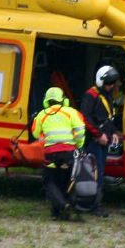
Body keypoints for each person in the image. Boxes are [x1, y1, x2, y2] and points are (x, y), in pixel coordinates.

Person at [31, 86, 86, 220]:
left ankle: (61, 207)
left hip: (50, 154)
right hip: (69, 153)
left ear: (46, 101)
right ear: (63, 100)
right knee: (67, 180)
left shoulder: (42, 115)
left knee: (50, 181)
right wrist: (79, 146)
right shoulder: (71, 112)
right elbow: (80, 130)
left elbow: (35, 133)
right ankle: (68, 208)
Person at [79, 65, 122, 217]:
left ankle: (94, 203)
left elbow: (107, 117)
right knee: (94, 173)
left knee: (100, 172)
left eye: (112, 83)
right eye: (109, 83)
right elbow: (85, 118)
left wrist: (114, 132)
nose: (111, 86)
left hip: (103, 139)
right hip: (94, 142)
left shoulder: (106, 94)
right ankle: (92, 205)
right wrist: (98, 135)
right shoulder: (91, 96)